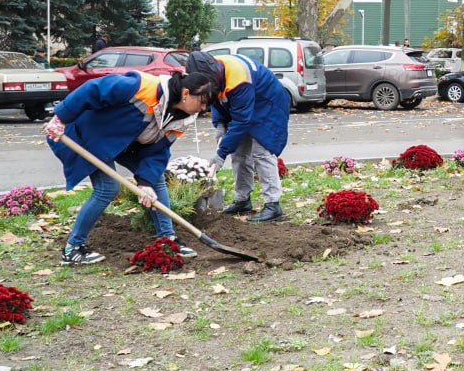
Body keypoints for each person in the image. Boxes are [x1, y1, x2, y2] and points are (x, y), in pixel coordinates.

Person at [44, 70, 217, 265]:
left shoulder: (183, 119)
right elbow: (93, 89)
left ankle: (166, 240)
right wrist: (61, 117)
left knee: (155, 180)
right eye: (202, 101)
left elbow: (158, 150)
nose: (203, 108)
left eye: (207, 105)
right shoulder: (141, 86)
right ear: (186, 93)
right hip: (88, 136)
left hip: (126, 144)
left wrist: (145, 183)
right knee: (107, 188)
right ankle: (72, 249)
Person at [185, 49, 291, 222]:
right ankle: (242, 200)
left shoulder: (239, 77)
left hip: (269, 105)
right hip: (247, 104)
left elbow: (242, 121)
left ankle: (273, 205)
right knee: (239, 154)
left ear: (215, 72)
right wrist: (219, 124)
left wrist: (220, 154)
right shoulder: (212, 72)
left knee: (262, 152)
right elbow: (217, 99)